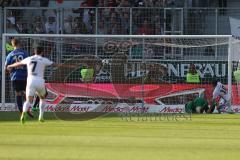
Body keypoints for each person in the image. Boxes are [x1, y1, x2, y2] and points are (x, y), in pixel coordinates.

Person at [7, 45, 55, 124]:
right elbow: (54, 64)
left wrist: (10, 66)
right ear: (42, 52)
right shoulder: (43, 59)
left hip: (30, 81)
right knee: (43, 97)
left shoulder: (29, 58)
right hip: (40, 81)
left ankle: (24, 113)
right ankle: (41, 116)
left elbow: (18, 63)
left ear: (34, 52)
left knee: (28, 100)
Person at [5, 38, 33, 118]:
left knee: (18, 93)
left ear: (12, 45)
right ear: (19, 44)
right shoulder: (25, 53)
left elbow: (6, 67)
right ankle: (27, 108)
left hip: (15, 76)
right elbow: (30, 64)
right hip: (25, 75)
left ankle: (21, 112)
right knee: (26, 93)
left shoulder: (10, 55)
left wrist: (8, 72)